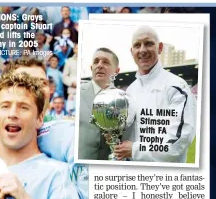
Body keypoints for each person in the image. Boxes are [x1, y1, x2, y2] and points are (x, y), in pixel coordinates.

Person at [116, 25, 197, 162]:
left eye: (148, 43)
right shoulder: (130, 90)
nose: (142, 50)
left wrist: (135, 150)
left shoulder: (177, 86)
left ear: (159, 48)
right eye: (137, 45)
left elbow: (179, 139)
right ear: (132, 51)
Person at [78, 47, 119, 161]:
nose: (99, 65)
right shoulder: (78, 93)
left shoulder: (124, 101)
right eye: (96, 62)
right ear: (91, 68)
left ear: (116, 71)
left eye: (106, 62)